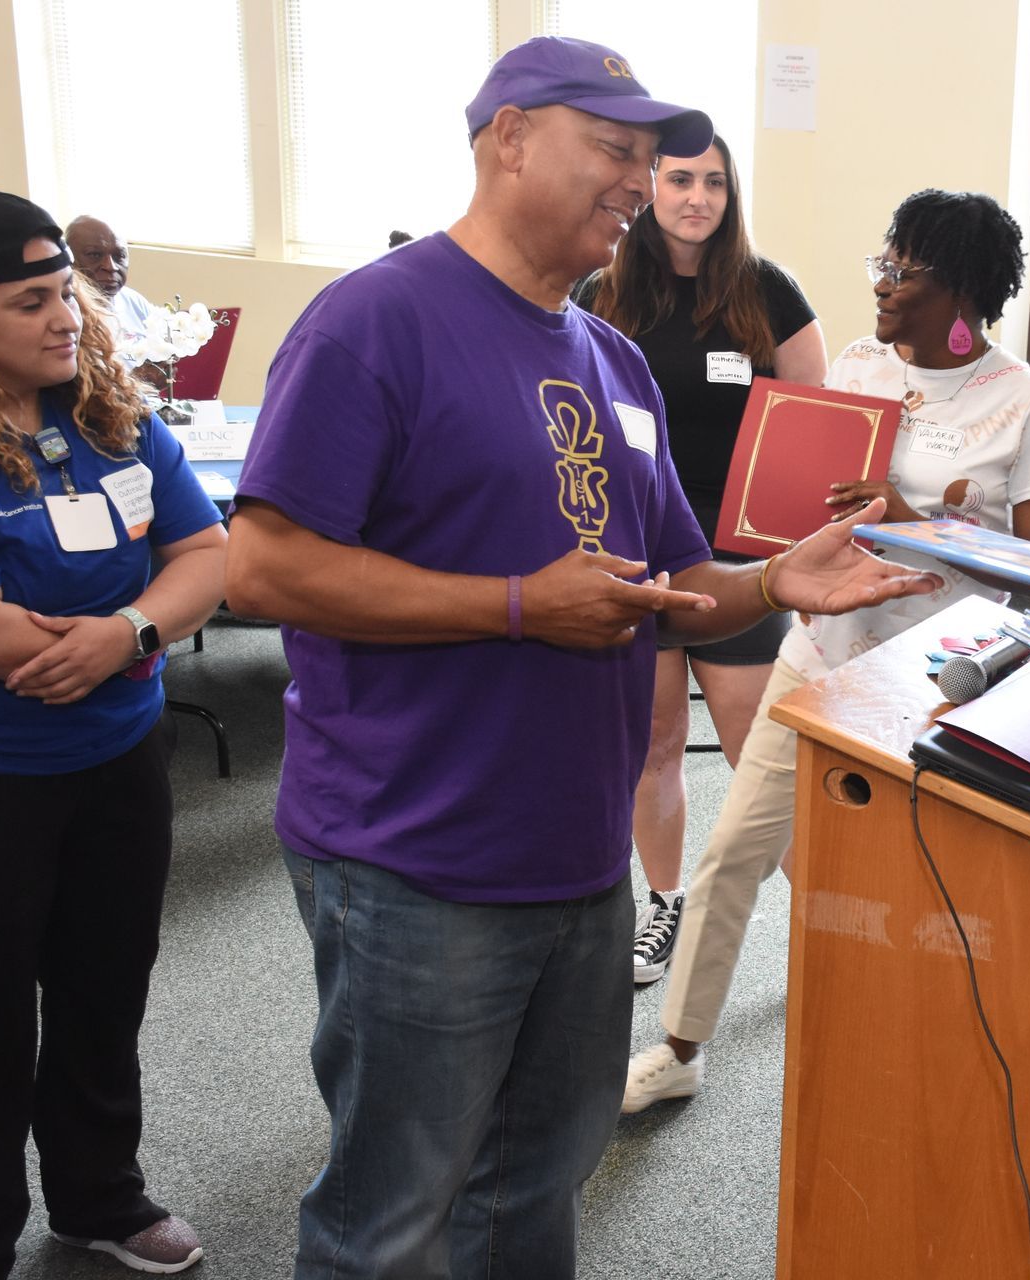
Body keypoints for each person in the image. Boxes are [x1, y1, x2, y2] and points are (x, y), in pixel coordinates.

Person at [220, 38, 935, 1280]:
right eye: (614, 150)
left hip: (577, 853)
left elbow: (668, 585)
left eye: (649, 157)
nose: (640, 181)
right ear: (508, 138)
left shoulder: (603, 353)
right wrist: (512, 603)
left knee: (533, 1188)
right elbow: (265, 567)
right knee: (392, 1213)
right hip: (413, 854)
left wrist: (771, 580)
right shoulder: (377, 319)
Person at [621, 187, 1030, 1112]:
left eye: (903, 270)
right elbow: (813, 497)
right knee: (732, 855)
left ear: (961, 287)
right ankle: (679, 1047)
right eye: (882, 262)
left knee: (916, 880)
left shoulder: (1027, 400)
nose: (881, 284)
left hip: (940, 678)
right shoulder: (856, 363)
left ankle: (927, 1047)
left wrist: (920, 520)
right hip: (823, 650)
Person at [0, 190, 227, 1277]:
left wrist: (128, 630)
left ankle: (98, 1195)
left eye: (66, 290)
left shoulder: (111, 413)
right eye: (32, 300)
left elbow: (207, 554)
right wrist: (125, 632)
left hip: (118, 761)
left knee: (107, 984)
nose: (68, 316)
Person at [576, 133, 826, 986]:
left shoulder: (767, 291)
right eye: (680, 179)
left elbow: (815, 429)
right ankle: (664, 904)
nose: (697, 197)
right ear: (649, 187)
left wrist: (788, 551)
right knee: (652, 742)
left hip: (734, 560)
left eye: (714, 182)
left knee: (758, 751)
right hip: (631, 553)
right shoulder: (600, 289)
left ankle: (824, 926)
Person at [64, 215, 156, 358]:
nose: (110, 267)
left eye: (119, 256)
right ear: (69, 258)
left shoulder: (134, 302)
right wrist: (137, 376)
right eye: (95, 255)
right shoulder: (66, 314)